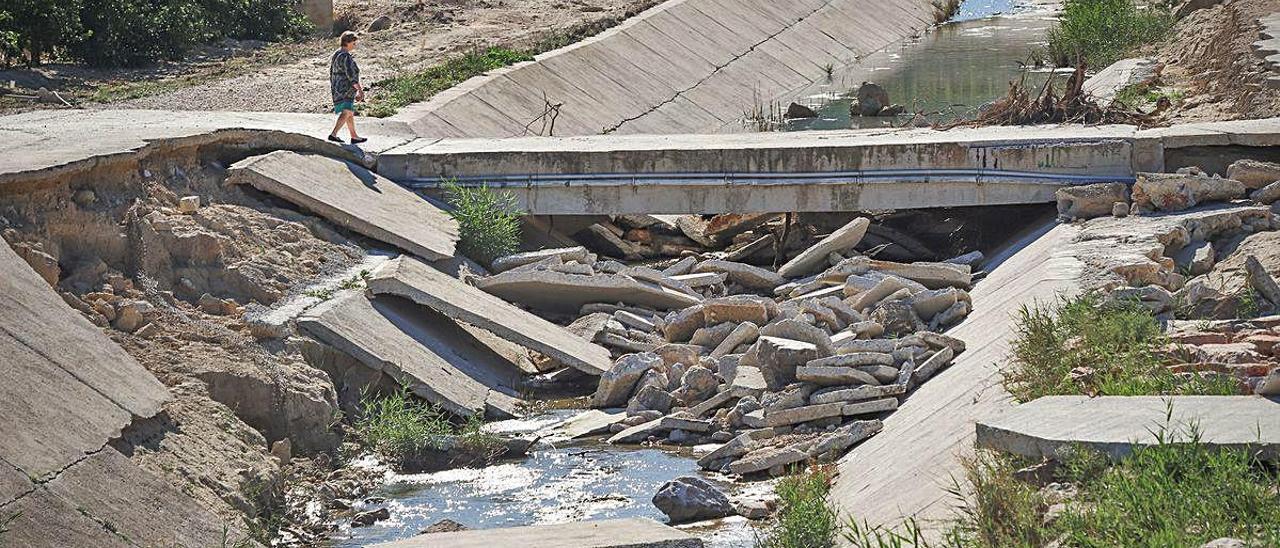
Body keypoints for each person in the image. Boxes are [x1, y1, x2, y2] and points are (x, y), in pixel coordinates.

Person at [328, 31, 366, 144]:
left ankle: (354, 136)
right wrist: (360, 90)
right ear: (348, 42)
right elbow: (351, 76)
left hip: (337, 88)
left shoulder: (336, 54)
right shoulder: (346, 57)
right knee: (347, 112)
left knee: (349, 112)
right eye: (354, 43)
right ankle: (333, 134)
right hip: (346, 89)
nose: (355, 45)